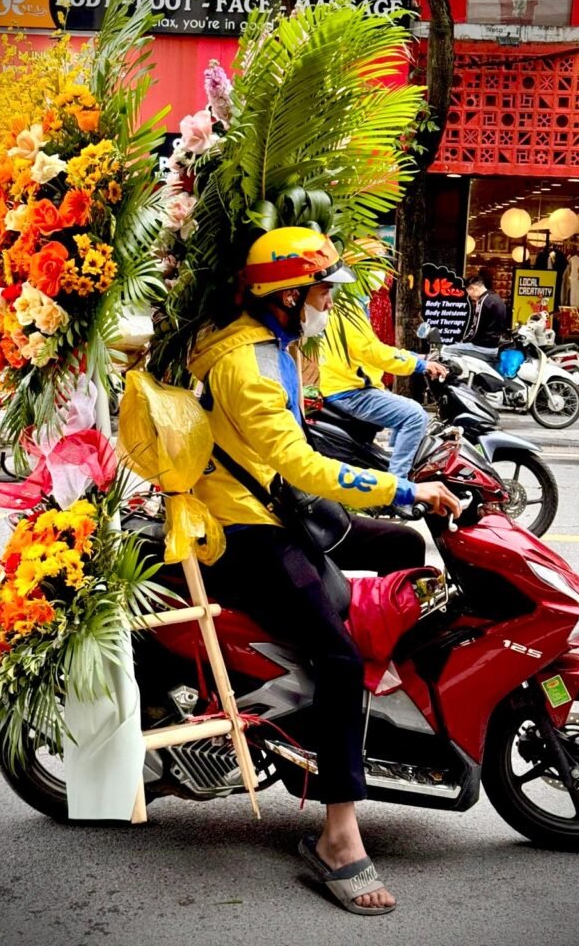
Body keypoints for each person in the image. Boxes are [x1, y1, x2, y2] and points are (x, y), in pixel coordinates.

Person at [189, 227, 461, 916]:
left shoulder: (276, 344)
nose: (326, 304)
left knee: (402, 549)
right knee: (339, 658)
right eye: (318, 292)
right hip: (244, 532)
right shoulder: (248, 366)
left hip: (279, 507)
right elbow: (301, 464)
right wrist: (403, 489)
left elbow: (307, 444)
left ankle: (386, 705)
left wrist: (403, 481)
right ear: (283, 299)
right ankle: (338, 836)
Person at [316, 296, 447, 479]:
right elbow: (371, 351)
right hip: (351, 390)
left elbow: (374, 348)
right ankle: (397, 489)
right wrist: (418, 365)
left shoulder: (346, 301)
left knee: (403, 412)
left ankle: (389, 469)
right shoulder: (349, 305)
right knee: (415, 416)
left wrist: (417, 357)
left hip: (344, 384)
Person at [453, 274, 507, 359]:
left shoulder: (483, 301)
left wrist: (463, 341)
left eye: (470, 295)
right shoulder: (497, 299)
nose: (472, 298)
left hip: (482, 347)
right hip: (494, 346)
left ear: (473, 289)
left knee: (447, 350)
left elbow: (475, 328)